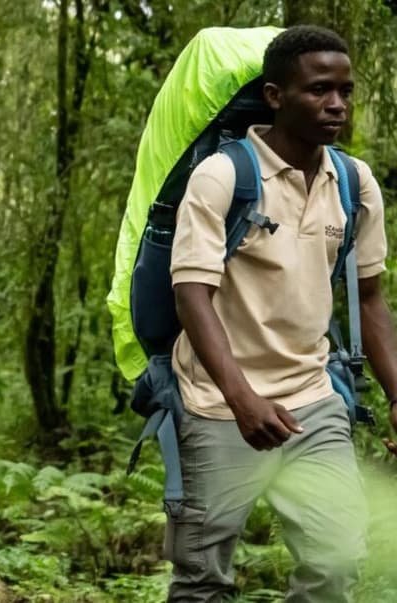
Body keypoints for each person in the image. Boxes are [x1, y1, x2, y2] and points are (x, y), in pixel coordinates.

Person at [168, 25, 397, 601]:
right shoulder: (223, 176)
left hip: (313, 399)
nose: (337, 104)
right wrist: (241, 398)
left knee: (335, 562)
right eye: (319, 90)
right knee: (202, 580)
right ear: (275, 95)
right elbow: (191, 294)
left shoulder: (354, 183)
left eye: (345, 91)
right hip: (218, 404)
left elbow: (369, 297)